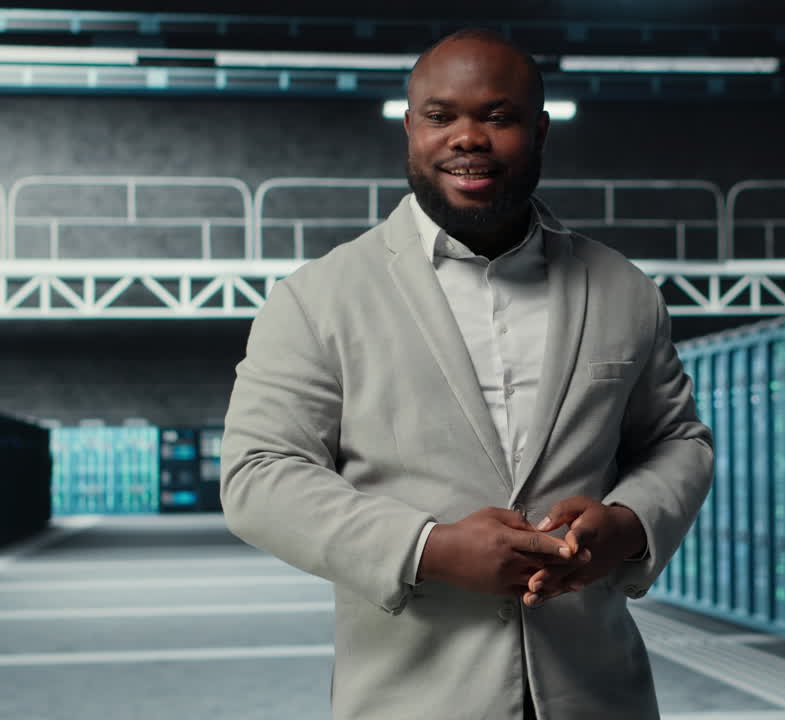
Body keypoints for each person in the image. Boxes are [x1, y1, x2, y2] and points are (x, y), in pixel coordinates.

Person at [219, 28, 713, 720]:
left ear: (540, 132)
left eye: (498, 117)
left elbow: (677, 442)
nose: (468, 138)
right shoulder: (318, 297)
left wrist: (628, 524)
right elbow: (258, 474)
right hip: (410, 699)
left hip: (598, 693)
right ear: (410, 130)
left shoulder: (622, 288)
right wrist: (431, 548)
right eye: (440, 115)